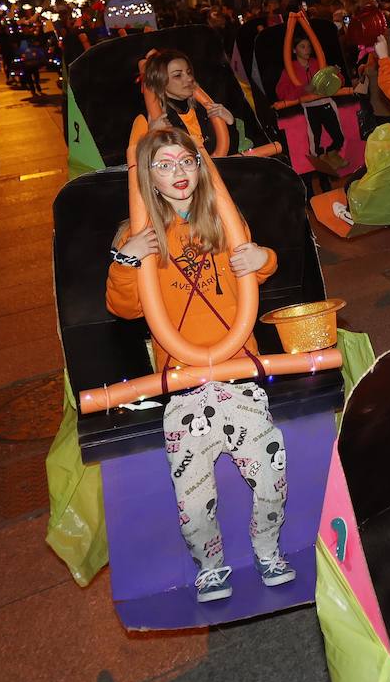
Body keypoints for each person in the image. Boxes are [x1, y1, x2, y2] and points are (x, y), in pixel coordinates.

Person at [106, 127, 293, 603]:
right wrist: (126, 262)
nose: (178, 172)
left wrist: (264, 258)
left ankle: (267, 548)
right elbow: (124, 308)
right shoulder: (137, 235)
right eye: (163, 165)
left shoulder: (223, 220)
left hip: (238, 374)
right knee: (192, 497)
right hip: (185, 385)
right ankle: (210, 566)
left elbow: (257, 263)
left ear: (200, 165)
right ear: (147, 177)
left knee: (272, 474)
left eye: (186, 161)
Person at [142, 49, 238, 154]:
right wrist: (153, 138)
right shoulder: (156, 119)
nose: (189, 79)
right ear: (160, 81)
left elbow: (231, 153)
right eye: (178, 75)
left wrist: (230, 123)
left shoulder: (205, 107)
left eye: (188, 72)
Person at [277, 33, 345, 160]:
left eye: (309, 46)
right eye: (302, 46)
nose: (307, 49)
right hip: (308, 108)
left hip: (327, 104)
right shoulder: (289, 69)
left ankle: (331, 155)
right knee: (315, 142)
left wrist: (335, 75)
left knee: (339, 137)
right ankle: (322, 173)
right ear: (294, 50)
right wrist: (303, 89)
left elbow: (338, 82)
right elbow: (282, 93)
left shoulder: (318, 63)